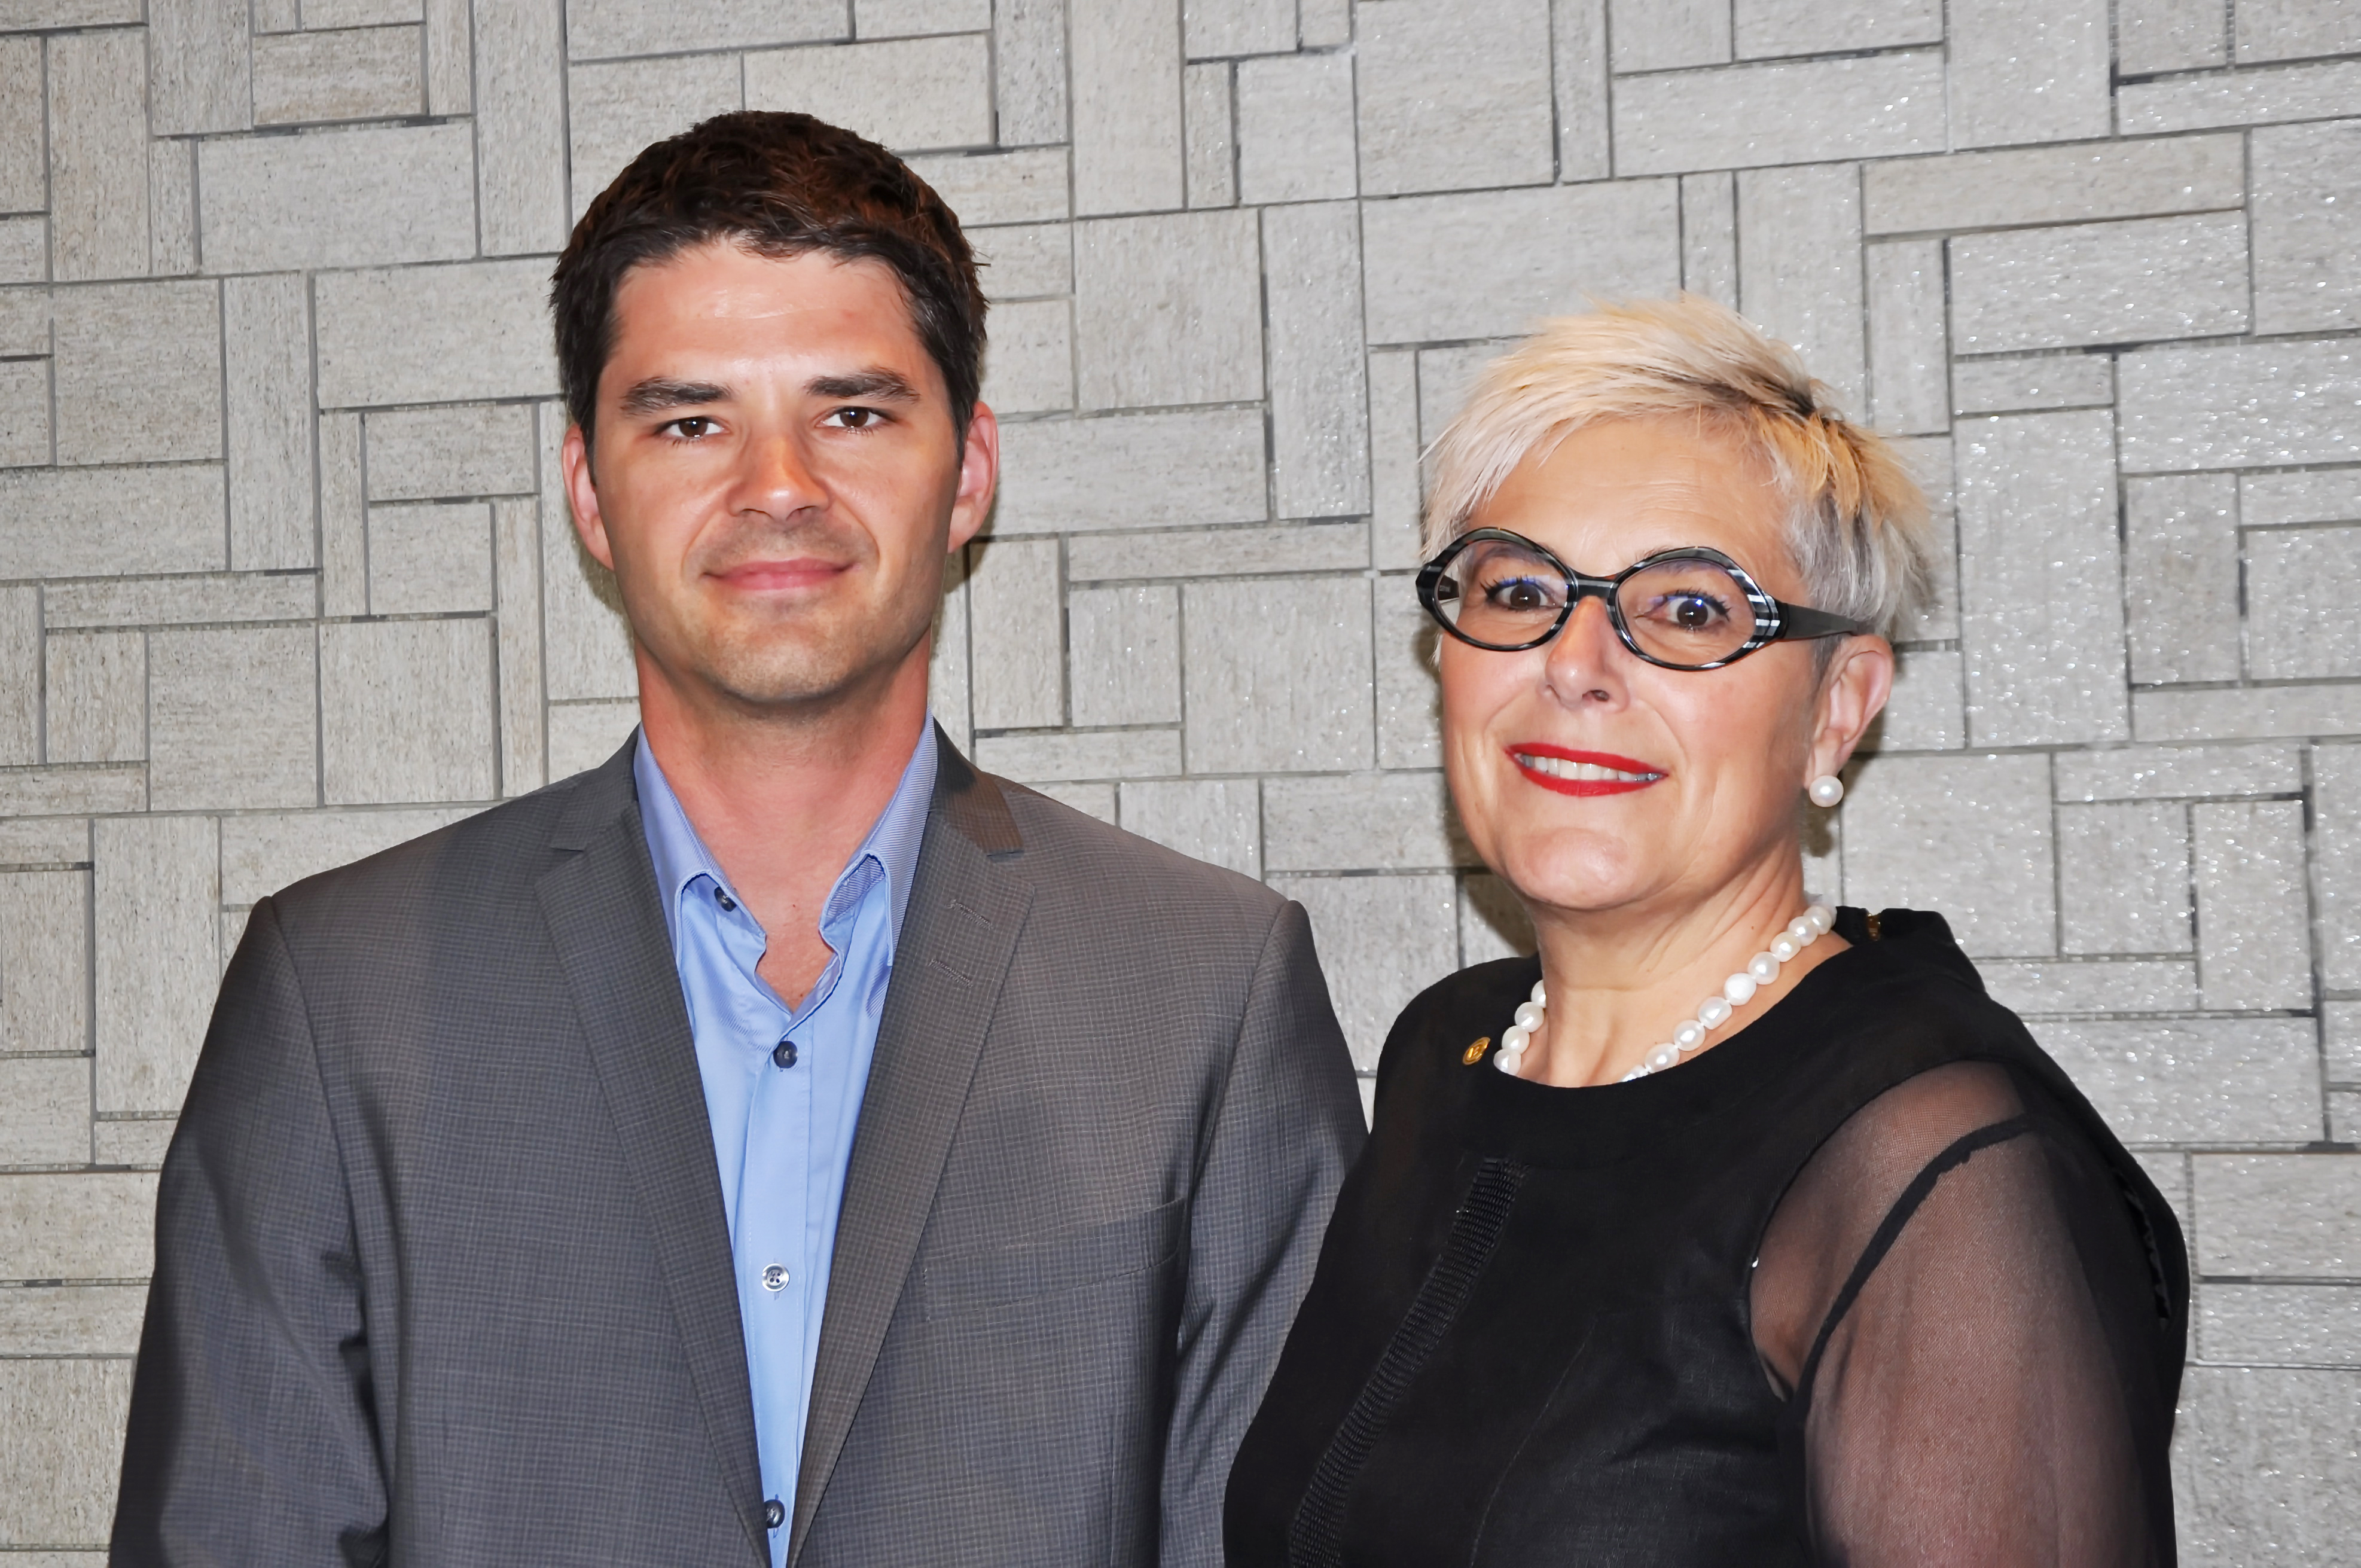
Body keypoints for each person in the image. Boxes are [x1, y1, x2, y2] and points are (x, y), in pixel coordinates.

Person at [114, 111, 1364, 1567]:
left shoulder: (1206, 990)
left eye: (854, 411)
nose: (778, 484)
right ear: (590, 490)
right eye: (690, 419)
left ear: (968, 476)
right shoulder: (337, 1000)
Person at [1226, 297, 2187, 1566]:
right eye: (1518, 589)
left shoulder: (1928, 1161)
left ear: (1838, 707)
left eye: (1688, 609)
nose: (1575, 662)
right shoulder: (1447, 1052)